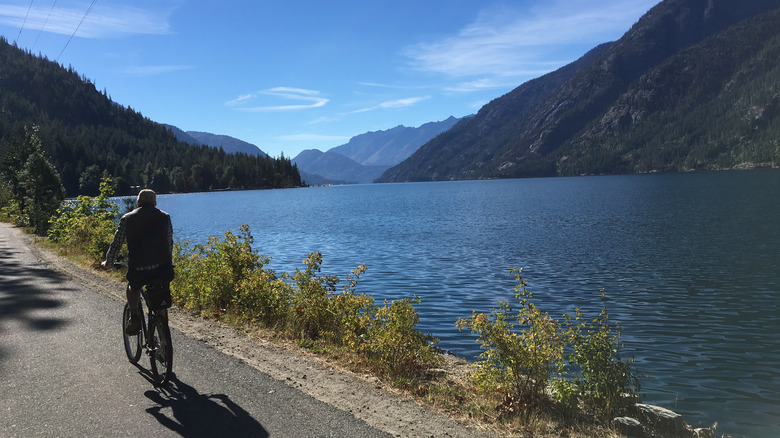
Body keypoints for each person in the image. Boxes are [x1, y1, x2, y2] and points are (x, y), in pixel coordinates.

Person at [101, 189, 174, 334]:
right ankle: (164, 343)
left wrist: (109, 262)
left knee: (133, 287)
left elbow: (117, 243)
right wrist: (167, 261)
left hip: (139, 270)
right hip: (162, 269)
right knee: (160, 304)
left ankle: (134, 315)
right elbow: (169, 242)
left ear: (138, 202)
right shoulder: (165, 217)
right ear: (155, 203)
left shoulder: (127, 219)